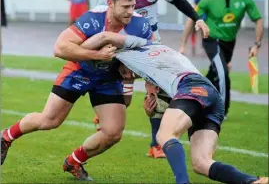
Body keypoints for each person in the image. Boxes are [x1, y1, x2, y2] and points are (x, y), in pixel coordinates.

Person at [1, 0, 153, 181]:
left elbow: (152, 59)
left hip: (108, 78)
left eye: (133, 6)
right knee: (50, 120)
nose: (130, 11)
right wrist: (97, 55)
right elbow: (60, 49)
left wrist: (146, 87)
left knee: (113, 133)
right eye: (125, 7)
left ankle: (74, 161)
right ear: (110, 4)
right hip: (79, 70)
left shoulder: (141, 25)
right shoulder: (93, 19)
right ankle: (5, 137)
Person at [78, 32, 268, 184]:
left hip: (192, 86)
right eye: (125, 77)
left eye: (124, 72)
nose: (128, 76)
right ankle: (253, 181)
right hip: (209, 96)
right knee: (201, 163)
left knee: (165, 135)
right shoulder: (154, 61)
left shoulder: (126, 53)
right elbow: (176, 107)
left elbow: (105, 37)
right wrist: (151, 111)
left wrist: (77, 50)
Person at [96, 0, 209, 158]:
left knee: (156, 92)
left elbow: (178, 0)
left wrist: (198, 18)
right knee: (120, 90)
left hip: (151, 44)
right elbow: (98, 19)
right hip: (122, 46)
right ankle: (104, 115)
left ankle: (155, 145)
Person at [180, 0, 264, 119]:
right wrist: (183, 45)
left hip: (229, 43)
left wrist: (257, 44)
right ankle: (221, 112)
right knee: (223, 72)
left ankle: (191, 95)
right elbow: (192, 19)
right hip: (211, 40)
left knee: (213, 75)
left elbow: (258, 19)